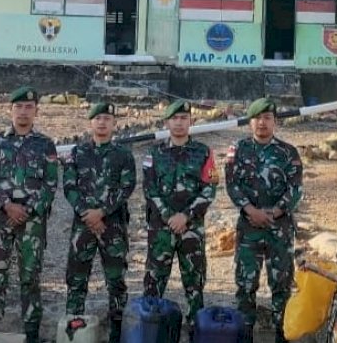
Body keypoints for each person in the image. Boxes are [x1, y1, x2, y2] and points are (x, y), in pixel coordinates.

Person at [0, 86, 58, 343]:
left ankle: (31, 334)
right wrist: (6, 204)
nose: (23, 112)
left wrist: (29, 209)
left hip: (31, 221)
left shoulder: (45, 144)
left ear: (36, 111)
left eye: (28, 107)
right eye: (18, 107)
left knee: (30, 277)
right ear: (10, 110)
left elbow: (50, 183)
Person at [225, 97, 303, 343]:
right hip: (249, 229)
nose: (262, 123)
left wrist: (274, 212)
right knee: (245, 285)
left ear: (275, 122)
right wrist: (251, 211)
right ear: (250, 122)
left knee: (281, 286)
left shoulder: (288, 152)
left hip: (279, 229)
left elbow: (295, 189)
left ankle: (282, 335)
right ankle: (245, 336)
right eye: (257, 118)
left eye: (267, 118)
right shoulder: (238, 150)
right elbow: (232, 185)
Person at [142, 99, 218, 337]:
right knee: (153, 284)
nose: (179, 123)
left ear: (191, 121)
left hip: (191, 229)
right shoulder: (154, 153)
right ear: (166, 122)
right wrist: (169, 216)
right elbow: (149, 190)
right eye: (174, 118)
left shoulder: (203, 152)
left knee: (195, 285)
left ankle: (196, 333)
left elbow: (209, 189)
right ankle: (151, 333)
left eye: (183, 118)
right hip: (161, 230)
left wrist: (185, 216)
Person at [62, 102, 136, 343]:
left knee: (116, 282)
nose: (102, 122)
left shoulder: (123, 154)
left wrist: (102, 212)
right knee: (76, 280)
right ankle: (73, 334)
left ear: (114, 123)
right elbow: (69, 186)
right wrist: (88, 214)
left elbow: (127, 187)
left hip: (112, 226)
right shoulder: (77, 153)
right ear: (90, 122)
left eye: (107, 118)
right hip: (83, 226)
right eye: (98, 118)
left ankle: (117, 334)